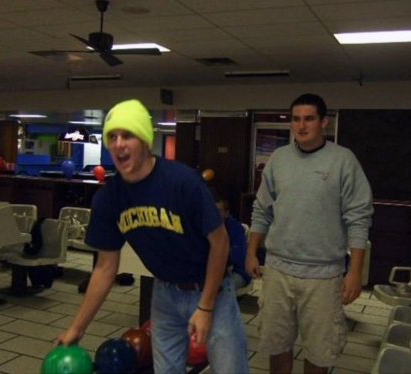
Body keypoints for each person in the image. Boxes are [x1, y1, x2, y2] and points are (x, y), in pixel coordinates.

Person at [57, 99, 249, 374]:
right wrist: (77, 328)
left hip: (212, 291)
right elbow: (104, 268)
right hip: (164, 294)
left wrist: (205, 307)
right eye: (112, 137)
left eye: (128, 135)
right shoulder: (109, 198)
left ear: (145, 140)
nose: (119, 143)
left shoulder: (182, 182)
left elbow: (220, 244)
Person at [245, 93, 373, 374]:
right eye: (296, 119)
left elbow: (359, 218)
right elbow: (262, 210)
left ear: (324, 122)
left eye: (309, 119)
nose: (301, 126)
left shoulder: (343, 161)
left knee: (320, 350)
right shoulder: (279, 159)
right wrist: (251, 251)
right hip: (278, 270)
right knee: (277, 344)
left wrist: (354, 272)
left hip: (323, 275)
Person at [215, 198, 251, 289]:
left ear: (227, 213)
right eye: (212, 210)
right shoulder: (207, 226)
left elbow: (239, 257)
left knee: (218, 289)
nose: (215, 214)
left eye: (219, 211)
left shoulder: (235, 229)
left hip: (237, 271)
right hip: (215, 271)